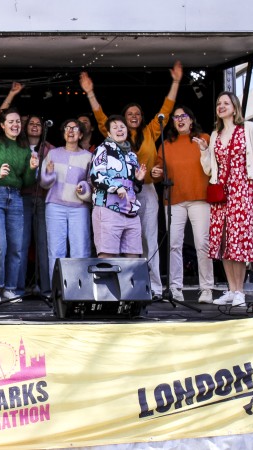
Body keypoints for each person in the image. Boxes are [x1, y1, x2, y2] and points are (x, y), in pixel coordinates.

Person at [81, 61, 183, 298]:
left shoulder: (149, 132)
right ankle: (113, 292)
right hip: (113, 197)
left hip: (144, 190)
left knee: (146, 239)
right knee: (112, 245)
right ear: (121, 121)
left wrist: (176, 82)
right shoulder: (112, 138)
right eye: (129, 115)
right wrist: (89, 92)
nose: (134, 117)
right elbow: (99, 116)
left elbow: (166, 111)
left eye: (137, 113)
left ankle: (154, 286)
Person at [198, 91, 253, 307]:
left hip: (241, 190)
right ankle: (231, 289)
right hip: (221, 193)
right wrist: (203, 152)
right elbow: (209, 169)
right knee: (225, 242)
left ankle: (240, 291)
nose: (221, 106)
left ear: (235, 108)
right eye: (218, 103)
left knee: (239, 241)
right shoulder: (215, 134)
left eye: (226, 103)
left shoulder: (248, 129)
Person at [151, 106, 214, 304]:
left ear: (191, 120)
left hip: (200, 198)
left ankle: (207, 288)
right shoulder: (165, 144)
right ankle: (175, 287)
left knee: (202, 244)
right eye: (176, 117)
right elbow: (159, 171)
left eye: (183, 116)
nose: (179, 120)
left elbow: (214, 166)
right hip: (174, 200)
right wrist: (156, 173)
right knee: (174, 245)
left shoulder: (203, 138)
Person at [0, 107, 39, 303]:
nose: (15, 125)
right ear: (2, 125)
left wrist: (31, 169)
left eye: (18, 122)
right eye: (11, 122)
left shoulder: (23, 148)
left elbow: (27, 181)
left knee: (16, 247)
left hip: (16, 197)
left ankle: (10, 289)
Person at [41, 119, 93, 282]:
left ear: (81, 134)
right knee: (56, 250)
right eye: (67, 128)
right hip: (55, 206)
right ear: (63, 133)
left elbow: (92, 184)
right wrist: (49, 173)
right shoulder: (53, 154)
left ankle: (81, 288)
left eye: (75, 128)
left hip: (79, 207)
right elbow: (43, 182)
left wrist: (83, 188)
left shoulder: (88, 157)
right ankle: (57, 289)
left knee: (80, 249)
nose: (70, 131)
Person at [90, 115, 147, 258]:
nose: (119, 130)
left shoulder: (132, 155)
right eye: (115, 127)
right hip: (108, 208)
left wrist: (138, 179)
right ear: (109, 133)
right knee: (107, 256)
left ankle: (128, 282)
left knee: (133, 257)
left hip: (130, 209)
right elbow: (96, 176)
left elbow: (134, 186)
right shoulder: (102, 149)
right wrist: (116, 186)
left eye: (122, 127)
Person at [17, 114, 54, 297]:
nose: (34, 126)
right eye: (31, 123)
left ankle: (47, 288)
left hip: (43, 198)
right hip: (23, 197)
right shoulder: (19, 146)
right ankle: (18, 288)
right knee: (21, 244)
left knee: (43, 244)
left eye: (38, 124)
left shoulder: (50, 149)